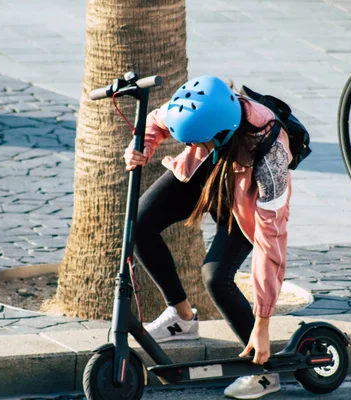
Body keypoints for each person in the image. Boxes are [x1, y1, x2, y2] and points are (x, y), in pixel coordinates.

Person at [124, 75, 291, 400]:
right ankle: (181, 318)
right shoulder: (198, 109)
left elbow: (272, 241)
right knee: (139, 224)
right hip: (209, 175)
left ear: (222, 132)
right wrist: (139, 146)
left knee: (215, 277)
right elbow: (155, 121)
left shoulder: (272, 156)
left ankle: (263, 371)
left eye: (200, 142)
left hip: (246, 199)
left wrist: (263, 322)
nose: (194, 148)